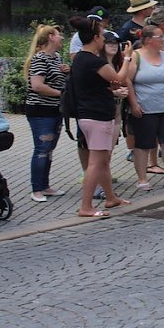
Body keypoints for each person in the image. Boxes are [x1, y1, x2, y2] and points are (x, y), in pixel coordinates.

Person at [69, 16, 133, 217]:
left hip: (87, 115)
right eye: (102, 37)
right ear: (96, 38)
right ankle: (86, 206)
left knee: (103, 160)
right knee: (96, 162)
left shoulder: (80, 57)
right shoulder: (93, 60)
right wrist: (128, 58)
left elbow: (102, 83)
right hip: (97, 116)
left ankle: (111, 197)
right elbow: (119, 78)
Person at [126, 25, 164, 191]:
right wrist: (133, 103)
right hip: (145, 109)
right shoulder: (136, 56)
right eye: (159, 37)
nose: (163, 40)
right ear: (147, 40)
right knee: (144, 144)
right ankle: (142, 179)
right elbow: (127, 80)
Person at [24, 24, 69, 203]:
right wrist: (62, 94)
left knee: (49, 149)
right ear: (51, 37)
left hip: (55, 109)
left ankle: (45, 185)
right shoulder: (40, 59)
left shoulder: (56, 57)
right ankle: (36, 189)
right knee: (42, 149)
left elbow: (56, 80)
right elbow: (37, 85)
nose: (62, 38)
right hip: (40, 110)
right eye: (59, 35)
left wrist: (66, 72)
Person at [92, 30, 129, 199]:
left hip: (116, 113)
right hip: (101, 114)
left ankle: (104, 189)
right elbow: (96, 90)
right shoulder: (98, 63)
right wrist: (115, 93)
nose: (113, 45)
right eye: (109, 42)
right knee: (101, 155)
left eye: (116, 43)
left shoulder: (116, 64)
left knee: (109, 153)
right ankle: (97, 187)